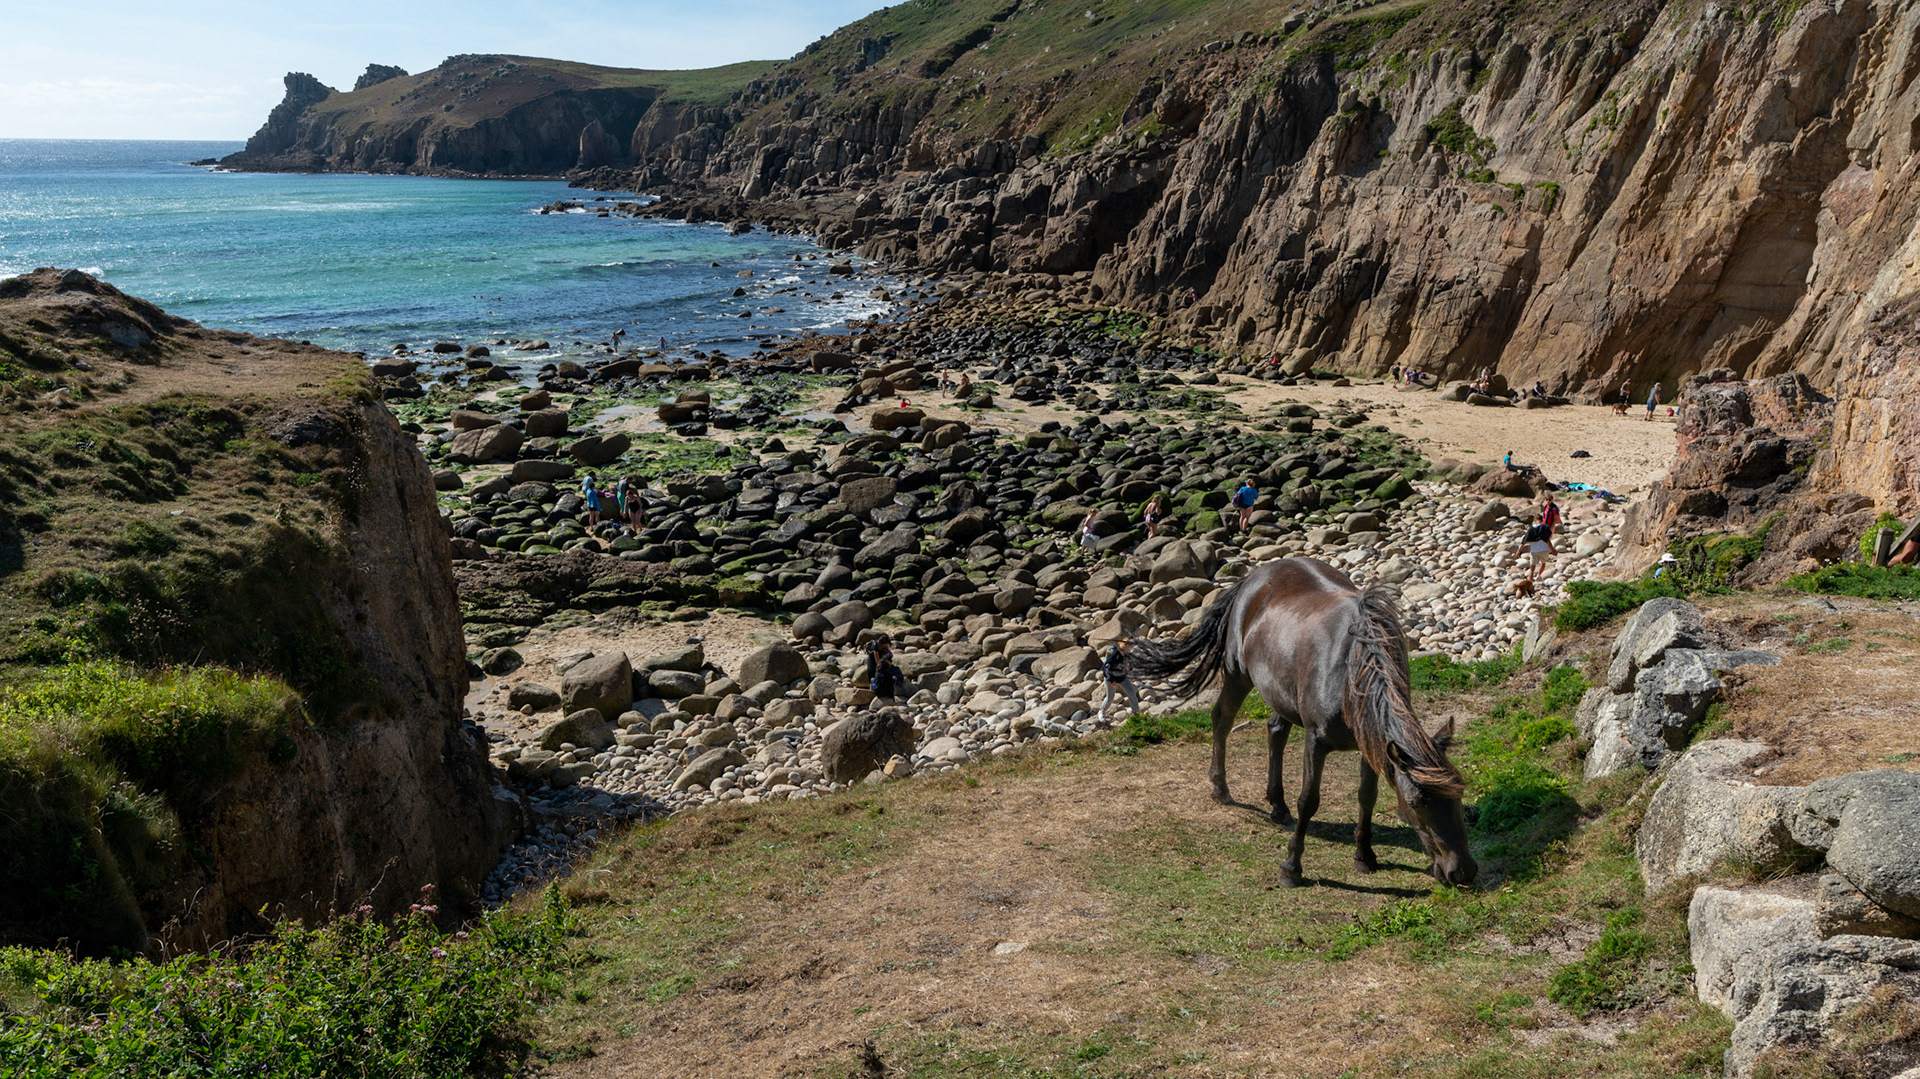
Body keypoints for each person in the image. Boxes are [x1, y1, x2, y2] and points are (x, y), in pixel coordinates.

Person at [1098, 641, 1140, 722]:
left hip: (1122, 676)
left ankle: (1136, 712)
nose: (1129, 651)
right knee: (1110, 697)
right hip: (1111, 678)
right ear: (1122, 649)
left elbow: (1131, 663)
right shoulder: (1114, 655)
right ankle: (1101, 711)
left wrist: (1129, 669)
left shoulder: (1127, 655)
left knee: (1131, 692)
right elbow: (1106, 669)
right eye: (1127, 649)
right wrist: (1112, 680)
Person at [1516, 512, 1554, 585]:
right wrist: (1553, 550)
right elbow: (1547, 540)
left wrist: (1519, 550)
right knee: (1543, 563)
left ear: (1535, 520)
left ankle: (1530, 580)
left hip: (1534, 550)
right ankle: (1538, 577)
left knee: (1532, 567)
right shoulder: (1545, 527)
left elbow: (1524, 540)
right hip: (1544, 549)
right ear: (1542, 520)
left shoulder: (1531, 529)